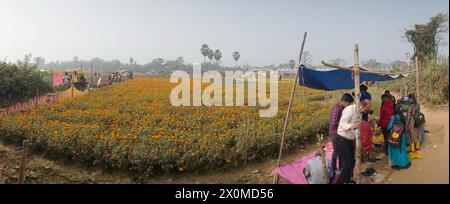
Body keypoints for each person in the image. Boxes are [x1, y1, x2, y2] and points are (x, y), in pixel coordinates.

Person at [328, 93, 354, 175]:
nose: (348, 105)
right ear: (343, 101)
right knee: (336, 152)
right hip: (335, 133)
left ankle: (340, 168)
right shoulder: (337, 109)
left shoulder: (341, 108)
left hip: (339, 133)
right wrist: (344, 124)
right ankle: (334, 169)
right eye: (348, 104)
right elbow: (333, 123)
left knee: (340, 153)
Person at [336, 99, 360, 184]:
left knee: (350, 162)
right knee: (349, 163)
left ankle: (347, 180)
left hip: (349, 139)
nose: (366, 111)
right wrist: (351, 126)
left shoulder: (358, 112)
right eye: (365, 108)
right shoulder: (350, 109)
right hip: (342, 138)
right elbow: (341, 124)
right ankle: (340, 182)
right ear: (361, 105)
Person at [387, 104, 411, 169]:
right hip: (402, 135)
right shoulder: (402, 116)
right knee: (402, 149)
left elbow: (389, 127)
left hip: (395, 136)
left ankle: (396, 164)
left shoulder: (393, 117)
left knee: (395, 150)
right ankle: (404, 163)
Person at [406, 93, 423, 160]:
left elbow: (408, 117)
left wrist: (406, 125)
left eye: (409, 98)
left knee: (411, 136)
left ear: (411, 99)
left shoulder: (410, 106)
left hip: (412, 123)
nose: (408, 99)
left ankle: (413, 152)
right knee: (417, 135)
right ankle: (418, 151)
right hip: (418, 122)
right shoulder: (418, 105)